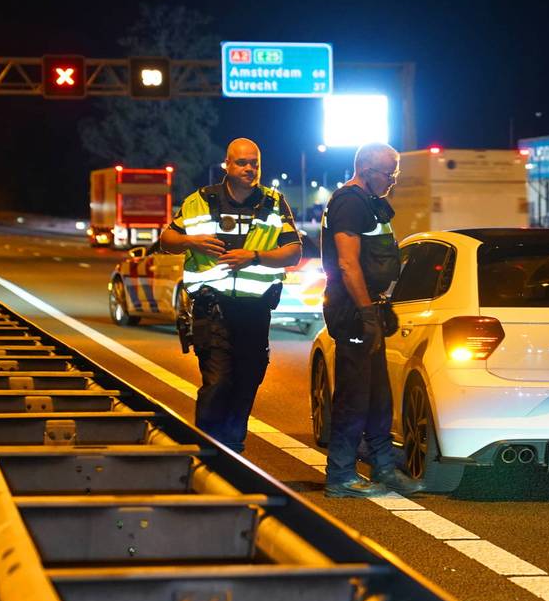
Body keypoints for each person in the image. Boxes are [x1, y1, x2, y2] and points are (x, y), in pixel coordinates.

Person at [160, 138, 301, 453]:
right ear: (227, 164)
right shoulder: (201, 200)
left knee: (249, 377)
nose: (250, 169)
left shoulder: (273, 202)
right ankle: (209, 451)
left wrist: (253, 256)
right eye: (242, 163)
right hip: (213, 308)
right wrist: (192, 241)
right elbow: (166, 239)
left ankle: (234, 447)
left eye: (254, 163)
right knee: (219, 381)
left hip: (255, 310)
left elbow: (293, 252)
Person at [320, 143, 423, 498]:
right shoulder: (349, 203)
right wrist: (365, 311)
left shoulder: (369, 203)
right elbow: (348, 265)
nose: (393, 180)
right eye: (389, 173)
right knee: (354, 394)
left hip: (367, 307)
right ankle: (340, 475)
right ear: (366, 170)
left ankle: (383, 468)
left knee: (378, 395)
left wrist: (381, 306)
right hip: (351, 310)